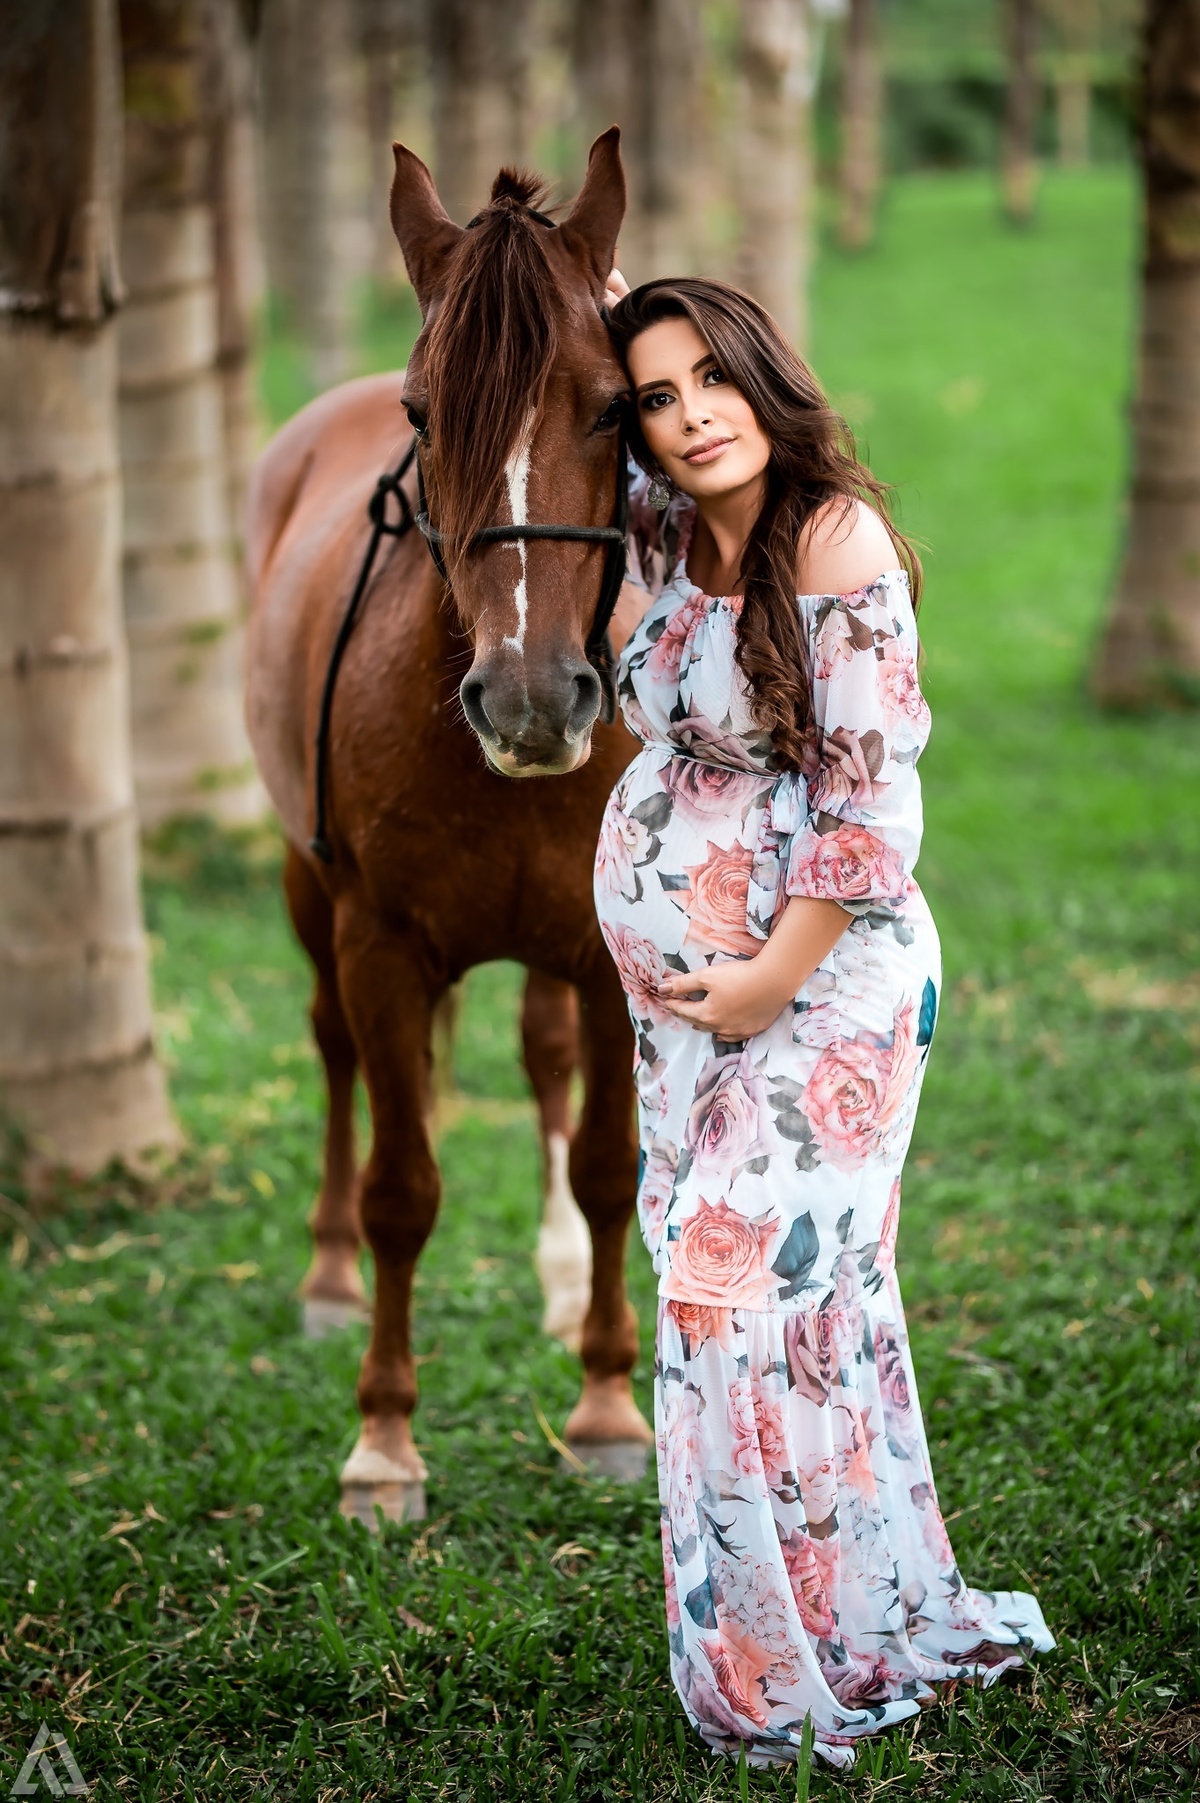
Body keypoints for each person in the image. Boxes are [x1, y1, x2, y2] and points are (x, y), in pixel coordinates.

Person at [593, 273, 1054, 1772]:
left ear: (758, 373)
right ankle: (848, 1610)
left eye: (708, 378)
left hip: (829, 985)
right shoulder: (662, 534)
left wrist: (767, 980)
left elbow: (869, 809)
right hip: (688, 1016)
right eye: (656, 397)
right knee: (802, 1311)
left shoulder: (831, 536)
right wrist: (571, 308)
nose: (689, 415)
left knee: (727, 1295)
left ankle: (785, 1666)